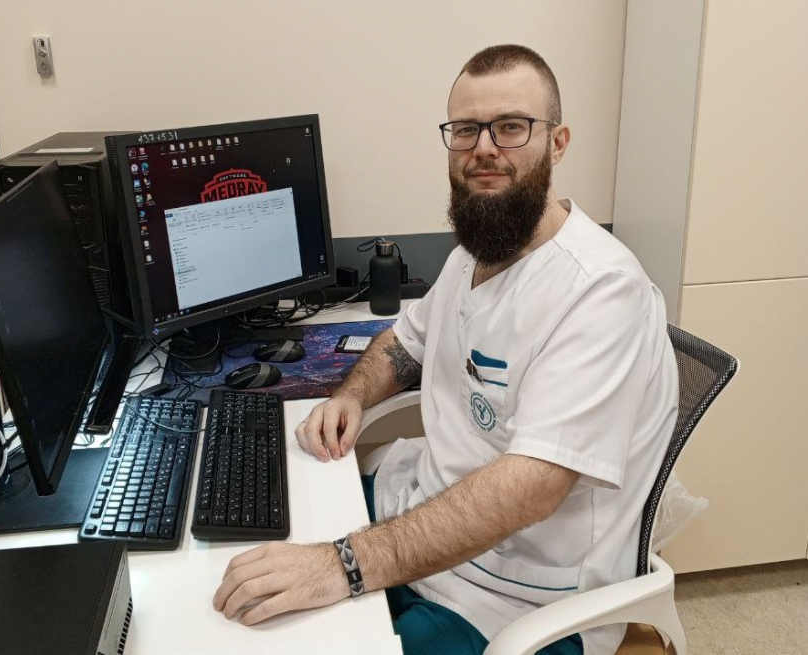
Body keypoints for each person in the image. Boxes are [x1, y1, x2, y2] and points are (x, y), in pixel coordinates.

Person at [213, 44, 679, 655]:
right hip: (427, 517)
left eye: (511, 127)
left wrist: (343, 565)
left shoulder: (600, 291)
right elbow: (403, 345)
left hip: (517, 595)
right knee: (255, 541)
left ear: (558, 143)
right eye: (465, 129)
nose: (483, 147)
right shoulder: (475, 254)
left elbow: (532, 487)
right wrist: (352, 397)